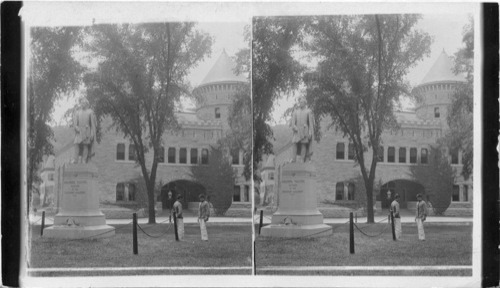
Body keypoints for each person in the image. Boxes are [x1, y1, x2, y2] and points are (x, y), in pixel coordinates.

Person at [290, 96, 314, 163]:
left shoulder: (308, 111)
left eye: (301, 102)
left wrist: (310, 132)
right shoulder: (295, 112)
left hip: (304, 131)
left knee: (303, 144)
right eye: (299, 102)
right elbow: (293, 123)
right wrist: (295, 128)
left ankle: (302, 160)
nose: (300, 103)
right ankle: (293, 159)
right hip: (297, 131)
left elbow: (310, 124)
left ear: (304, 103)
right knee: (294, 143)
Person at [72, 99, 97, 164]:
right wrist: (76, 127)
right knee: (76, 144)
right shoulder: (78, 112)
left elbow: (92, 124)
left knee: (85, 145)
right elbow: (75, 123)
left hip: (87, 131)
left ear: (86, 104)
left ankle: (84, 160)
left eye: (83, 103)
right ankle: (75, 160)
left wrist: (92, 133)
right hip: (79, 131)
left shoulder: (90, 112)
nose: (82, 104)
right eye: (81, 103)